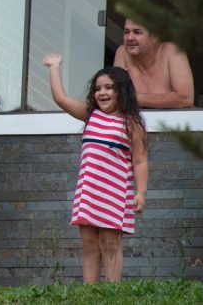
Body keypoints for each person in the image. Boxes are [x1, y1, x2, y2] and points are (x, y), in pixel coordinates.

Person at [42, 52, 148, 283]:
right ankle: (90, 293)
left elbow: (140, 160)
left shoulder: (131, 124)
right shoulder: (91, 116)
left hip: (113, 194)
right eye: (98, 88)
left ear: (122, 91)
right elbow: (61, 99)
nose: (102, 92)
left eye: (109, 87)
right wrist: (54, 66)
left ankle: (111, 292)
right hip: (89, 192)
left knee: (109, 244)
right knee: (89, 245)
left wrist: (140, 192)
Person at [113, 18, 195, 108]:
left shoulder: (172, 50)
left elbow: (185, 98)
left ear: (154, 36)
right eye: (126, 32)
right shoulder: (122, 52)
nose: (130, 38)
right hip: (135, 116)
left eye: (137, 32)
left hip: (172, 117)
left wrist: (132, 98)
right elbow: (116, 97)